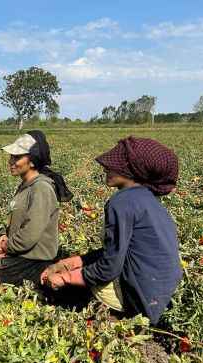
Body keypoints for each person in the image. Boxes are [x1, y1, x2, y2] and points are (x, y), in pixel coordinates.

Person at [41, 137, 182, 325]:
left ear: (133, 170)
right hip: (157, 292)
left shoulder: (121, 202)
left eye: (114, 165)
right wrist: (68, 263)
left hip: (138, 297)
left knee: (60, 294)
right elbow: (117, 252)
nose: (106, 167)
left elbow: (108, 268)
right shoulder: (147, 199)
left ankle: (117, 316)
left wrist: (64, 278)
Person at [0, 130, 72, 287]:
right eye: (11, 156)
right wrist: (3, 237)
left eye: (17, 157)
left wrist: (4, 248)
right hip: (18, 251)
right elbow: (16, 222)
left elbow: (29, 236)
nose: (11, 161)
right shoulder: (26, 185)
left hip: (32, 260)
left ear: (32, 161)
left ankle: (33, 278)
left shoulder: (41, 188)